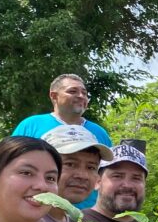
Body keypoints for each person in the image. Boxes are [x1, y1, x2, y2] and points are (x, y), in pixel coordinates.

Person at [13, 74, 113, 209]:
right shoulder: (31, 125)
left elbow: (108, 176)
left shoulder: (100, 133)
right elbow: (12, 166)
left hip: (86, 214)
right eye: (73, 91)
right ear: (53, 96)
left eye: (84, 93)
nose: (81, 96)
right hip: (40, 208)